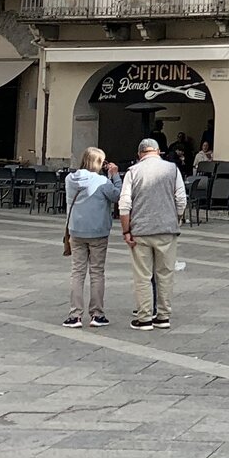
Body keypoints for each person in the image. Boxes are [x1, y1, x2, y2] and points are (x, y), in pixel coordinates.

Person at [119, 137, 188, 330]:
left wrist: (126, 230)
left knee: (142, 276)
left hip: (141, 230)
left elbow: (124, 205)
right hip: (167, 229)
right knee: (165, 274)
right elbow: (181, 199)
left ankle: (144, 318)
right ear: (158, 152)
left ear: (140, 154)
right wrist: (176, 218)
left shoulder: (133, 171)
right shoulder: (172, 169)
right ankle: (163, 316)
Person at [63, 148, 121, 328]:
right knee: (96, 272)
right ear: (99, 163)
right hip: (98, 232)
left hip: (76, 230)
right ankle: (97, 314)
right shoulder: (102, 181)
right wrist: (115, 176)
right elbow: (116, 195)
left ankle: (74, 315)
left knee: (77, 272)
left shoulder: (69, 179)